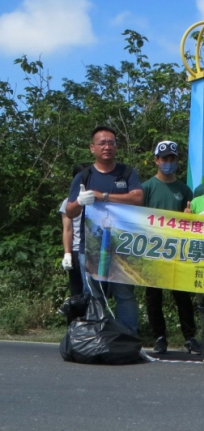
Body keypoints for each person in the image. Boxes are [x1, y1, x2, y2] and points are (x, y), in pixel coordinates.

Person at [66, 126, 143, 333]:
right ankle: (97, 335)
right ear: (92, 148)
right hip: (90, 247)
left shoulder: (127, 173)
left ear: (116, 146)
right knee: (94, 294)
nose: (107, 147)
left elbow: (138, 198)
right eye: (102, 143)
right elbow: (70, 211)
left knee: (124, 294)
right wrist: (80, 202)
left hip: (122, 246)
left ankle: (129, 336)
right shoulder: (84, 177)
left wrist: (104, 196)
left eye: (111, 142)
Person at [141, 141, 199, 355]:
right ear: (156, 160)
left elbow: (189, 218)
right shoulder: (146, 187)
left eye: (172, 159)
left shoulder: (184, 189)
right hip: (153, 250)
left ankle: (190, 337)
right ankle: (159, 337)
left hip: (177, 250)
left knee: (182, 295)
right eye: (164, 159)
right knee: (153, 296)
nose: (168, 163)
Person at [58, 165, 87, 297]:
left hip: (96, 249)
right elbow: (68, 229)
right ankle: (75, 317)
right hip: (76, 250)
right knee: (77, 291)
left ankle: (94, 317)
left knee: (95, 292)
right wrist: (67, 253)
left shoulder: (96, 200)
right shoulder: (68, 203)